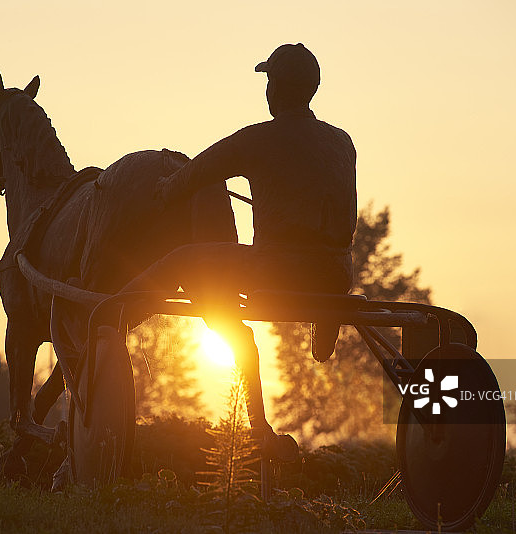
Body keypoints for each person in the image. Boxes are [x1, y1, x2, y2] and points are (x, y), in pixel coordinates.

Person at [119, 43, 357, 460]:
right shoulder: (342, 142)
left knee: (184, 261)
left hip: (276, 271)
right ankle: (326, 313)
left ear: (276, 89)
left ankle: (112, 311)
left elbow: (195, 173)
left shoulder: (257, 139)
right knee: (320, 264)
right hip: (337, 273)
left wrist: (163, 191)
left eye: (268, 82)